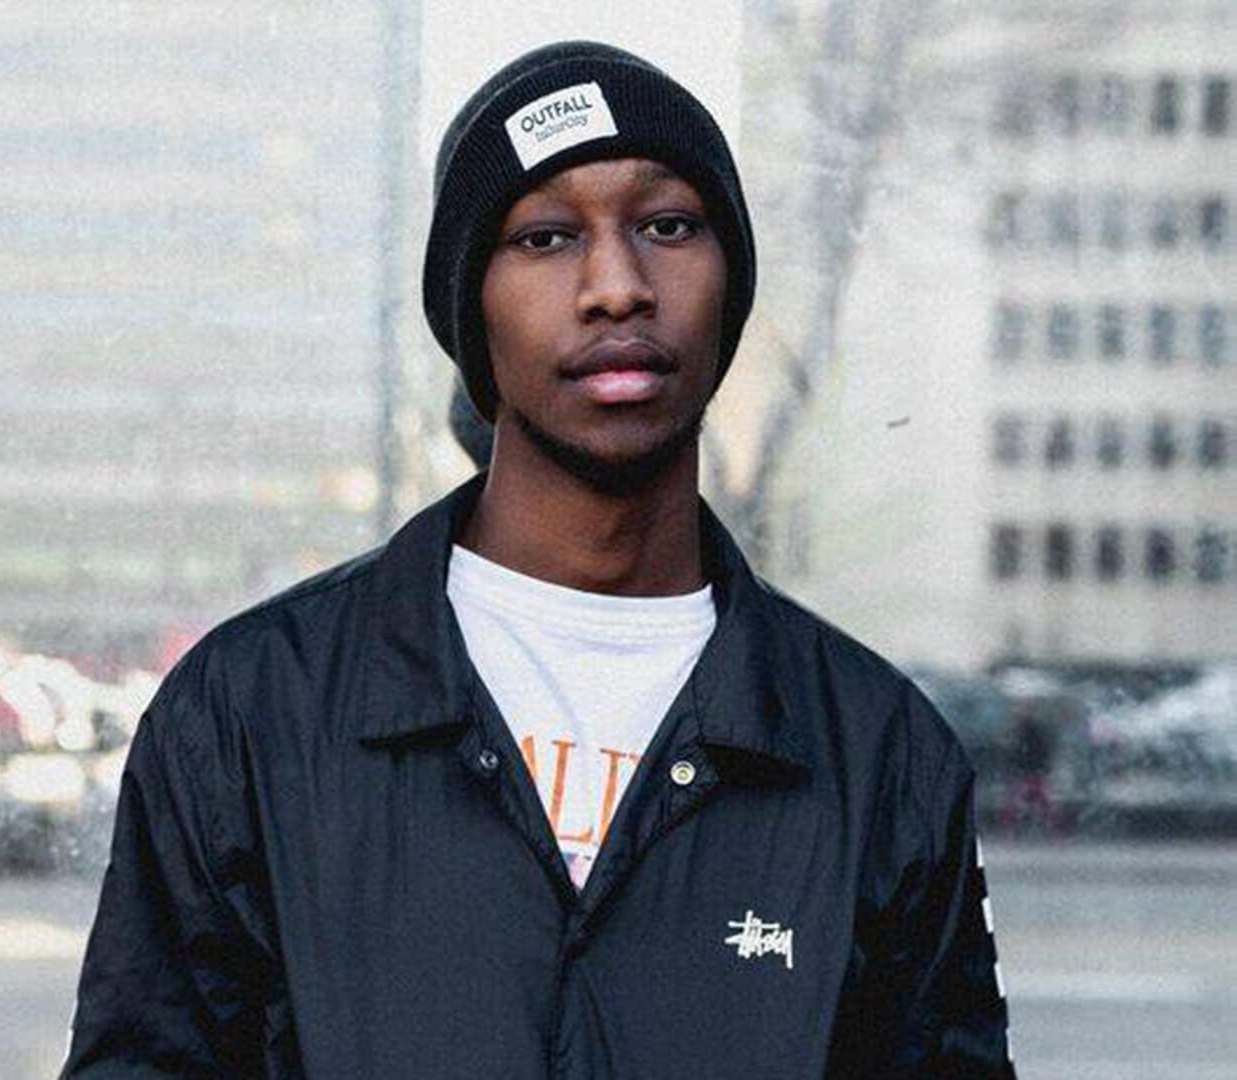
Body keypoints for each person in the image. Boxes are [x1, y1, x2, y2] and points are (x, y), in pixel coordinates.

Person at [62, 41, 1016, 1078]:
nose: (616, 286)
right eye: (547, 236)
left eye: (667, 225)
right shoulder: (251, 714)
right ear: (471, 308)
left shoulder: (878, 754)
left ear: (730, 288)